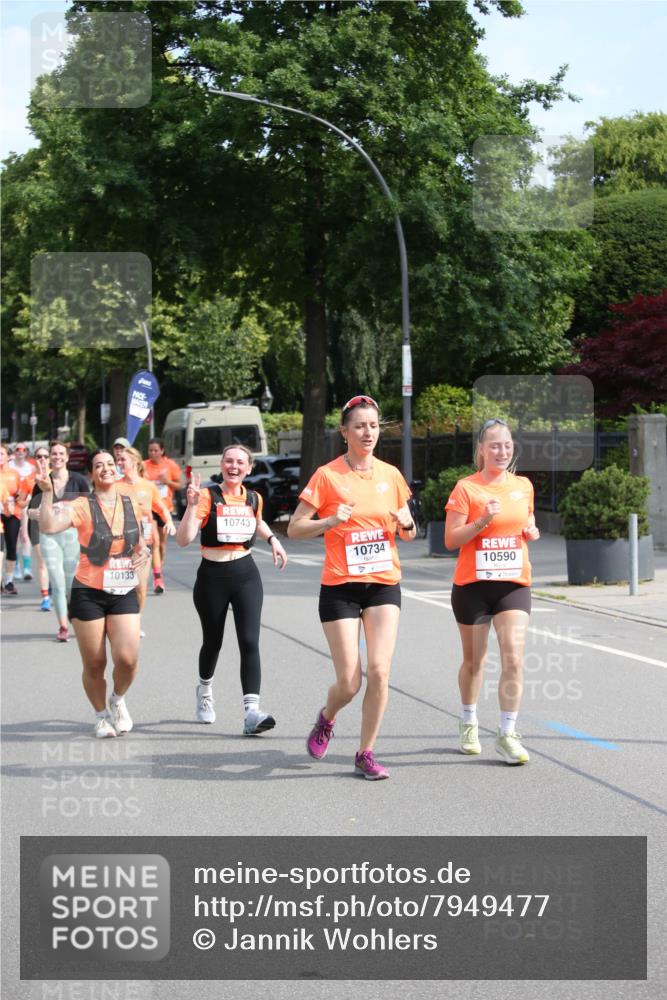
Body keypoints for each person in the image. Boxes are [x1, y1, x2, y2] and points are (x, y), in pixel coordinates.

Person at [288, 395, 416, 781]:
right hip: (340, 587)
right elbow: (294, 529)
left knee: (379, 671)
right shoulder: (327, 476)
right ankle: (327, 719)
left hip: (382, 584)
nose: (368, 432)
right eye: (359, 426)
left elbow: (409, 533)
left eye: (374, 425)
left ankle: (366, 752)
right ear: (344, 432)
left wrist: (406, 523)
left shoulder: (391, 475)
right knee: (350, 681)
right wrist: (328, 521)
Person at [444, 418, 540, 765]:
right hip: (473, 586)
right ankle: (469, 720)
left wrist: (531, 531)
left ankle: (508, 733)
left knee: (513, 656)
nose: (502, 451)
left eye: (507, 445)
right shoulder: (466, 488)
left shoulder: (523, 486)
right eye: (495, 445)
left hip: (513, 583)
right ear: (481, 450)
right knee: (475, 661)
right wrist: (483, 519)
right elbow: (451, 539)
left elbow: (525, 523)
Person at [37, 449, 150, 738]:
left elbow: (140, 543)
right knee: (95, 662)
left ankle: (118, 699)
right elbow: (49, 526)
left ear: (118, 469)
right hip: (88, 589)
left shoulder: (131, 502)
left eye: (110, 464)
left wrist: (144, 554)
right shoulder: (81, 505)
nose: (106, 469)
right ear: (91, 474)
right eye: (98, 466)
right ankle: (101, 715)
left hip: (123, 587)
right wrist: (48, 492)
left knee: (127, 659)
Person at [176, 445, 287, 735]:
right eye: (228, 461)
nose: (234, 466)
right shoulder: (206, 496)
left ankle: (252, 712)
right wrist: (189, 507)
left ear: (249, 468)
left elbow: (258, 521)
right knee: (212, 642)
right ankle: (204, 690)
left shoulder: (253, 497)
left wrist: (273, 539)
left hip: (245, 574)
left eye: (240, 462)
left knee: (250, 641)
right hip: (212, 577)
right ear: (221, 465)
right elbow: (184, 539)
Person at [30, 441, 90, 641]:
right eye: (53, 454)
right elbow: (30, 510)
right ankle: (63, 626)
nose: (56, 457)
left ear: (67, 457)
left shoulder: (78, 480)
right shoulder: (42, 480)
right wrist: (37, 513)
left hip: (72, 535)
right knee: (56, 581)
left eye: (60, 454)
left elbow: (92, 506)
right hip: (49, 537)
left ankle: (73, 613)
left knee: (71, 582)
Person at [116, 446, 175, 615]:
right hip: (121, 543)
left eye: (123, 460)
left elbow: (161, 508)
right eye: (118, 460)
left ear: (135, 461)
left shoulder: (148, 486)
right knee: (123, 587)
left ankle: (135, 620)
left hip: (144, 541)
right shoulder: (115, 486)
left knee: (140, 586)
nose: (119, 463)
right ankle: (120, 620)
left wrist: (169, 521)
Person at [143, 438, 182, 594]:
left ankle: (158, 567)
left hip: (165, 508)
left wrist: (167, 482)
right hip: (149, 509)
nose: (152, 453)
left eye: (155, 450)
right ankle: (158, 577)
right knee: (155, 542)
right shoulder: (144, 466)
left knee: (162, 544)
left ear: (162, 451)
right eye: (150, 450)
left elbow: (180, 485)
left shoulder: (170, 466)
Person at [27, 448, 54, 610]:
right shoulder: (31, 479)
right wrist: (33, 513)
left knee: (56, 563)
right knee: (42, 562)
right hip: (37, 524)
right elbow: (28, 509)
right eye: (39, 457)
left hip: (56, 524)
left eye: (45, 456)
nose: (42, 459)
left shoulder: (57, 476)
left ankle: (55, 586)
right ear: (34, 459)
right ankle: (45, 598)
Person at [0, 445, 27, 595]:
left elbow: (20, 495)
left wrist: (16, 502)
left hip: (12, 514)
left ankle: (9, 581)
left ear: (8, 456)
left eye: (2, 453)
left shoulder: (14, 474)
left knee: (11, 546)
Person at [9, 443, 36, 581]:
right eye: (17, 450)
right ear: (14, 452)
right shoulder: (9, 466)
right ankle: (16, 567)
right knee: (13, 537)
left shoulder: (30, 468)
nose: (20, 452)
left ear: (26, 452)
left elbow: (32, 485)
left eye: (23, 450)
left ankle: (27, 568)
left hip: (24, 504)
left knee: (25, 535)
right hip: (11, 504)